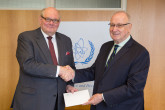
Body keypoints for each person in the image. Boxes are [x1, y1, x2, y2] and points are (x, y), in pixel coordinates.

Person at [69, 11, 150, 110]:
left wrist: (103, 96)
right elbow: (95, 71)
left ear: (129, 27)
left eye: (119, 25)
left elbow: (134, 87)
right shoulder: (105, 46)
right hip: (99, 107)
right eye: (112, 25)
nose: (114, 29)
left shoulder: (140, 52)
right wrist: (72, 74)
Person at [11, 7, 77, 110]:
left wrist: (69, 85)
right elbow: (27, 65)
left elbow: (70, 66)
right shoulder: (26, 37)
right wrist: (59, 70)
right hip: (32, 102)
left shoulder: (66, 40)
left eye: (55, 20)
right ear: (40, 19)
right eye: (48, 19)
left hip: (57, 102)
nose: (51, 23)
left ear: (59, 22)